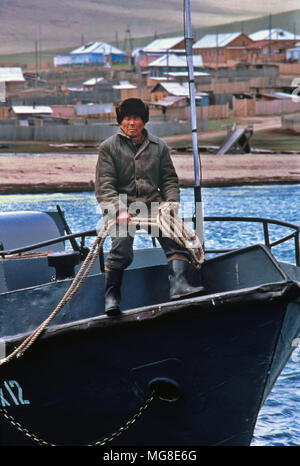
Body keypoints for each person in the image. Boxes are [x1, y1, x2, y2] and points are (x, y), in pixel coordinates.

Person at [95, 98, 204, 316]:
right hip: (121, 207)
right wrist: (119, 211)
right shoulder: (108, 148)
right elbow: (104, 186)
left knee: (175, 238)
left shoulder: (159, 146)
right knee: (121, 248)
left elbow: (169, 180)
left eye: (136, 118)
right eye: (127, 118)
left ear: (144, 121)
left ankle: (179, 286)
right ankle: (112, 296)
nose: (131, 123)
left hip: (153, 205)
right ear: (120, 122)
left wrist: (171, 204)